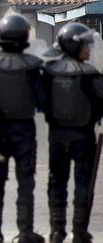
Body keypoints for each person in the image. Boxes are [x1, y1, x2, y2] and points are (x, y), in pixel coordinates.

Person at [0, 14, 45, 243]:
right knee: (26, 181)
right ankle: (25, 231)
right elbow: (42, 100)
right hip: (25, 129)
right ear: (25, 36)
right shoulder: (32, 66)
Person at [42, 23, 103, 243]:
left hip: (57, 137)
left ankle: (56, 231)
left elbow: (41, 101)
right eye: (85, 46)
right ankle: (79, 231)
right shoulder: (91, 74)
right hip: (83, 137)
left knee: (56, 182)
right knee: (83, 184)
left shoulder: (48, 72)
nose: (89, 50)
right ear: (73, 46)